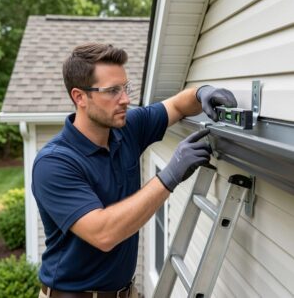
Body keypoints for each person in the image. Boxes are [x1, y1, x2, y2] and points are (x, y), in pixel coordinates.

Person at [32, 42, 237, 298]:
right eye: (113, 91)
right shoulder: (55, 163)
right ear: (79, 97)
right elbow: (103, 233)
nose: (125, 99)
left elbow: (176, 106)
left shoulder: (126, 129)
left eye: (125, 87)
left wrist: (203, 93)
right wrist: (169, 176)